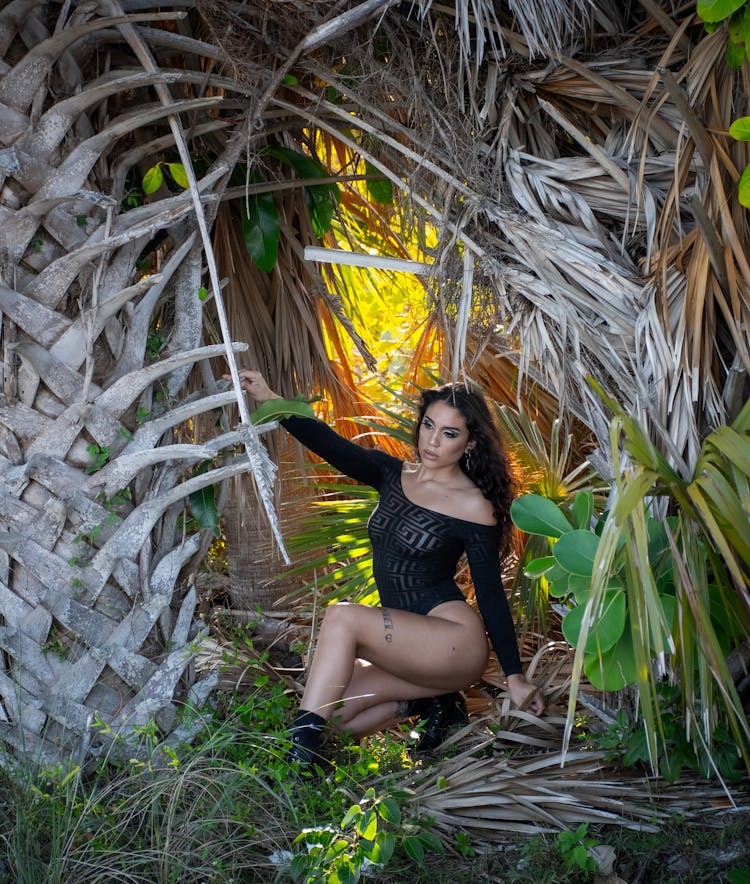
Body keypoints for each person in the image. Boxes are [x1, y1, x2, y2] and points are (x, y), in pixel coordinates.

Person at [233, 370, 544, 766]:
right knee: (331, 714)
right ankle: (433, 705)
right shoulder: (392, 474)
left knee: (342, 618)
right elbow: (329, 443)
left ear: (469, 443)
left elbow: (490, 593)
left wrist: (515, 675)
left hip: (453, 643)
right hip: (406, 645)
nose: (432, 440)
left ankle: (296, 764)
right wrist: (270, 396)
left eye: (449, 433)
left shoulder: (474, 506)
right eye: (429, 425)